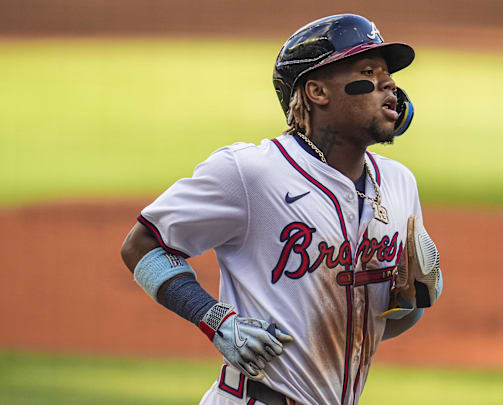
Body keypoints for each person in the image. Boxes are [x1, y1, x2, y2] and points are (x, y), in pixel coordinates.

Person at [120, 14, 442, 405]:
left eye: (388, 74)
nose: (389, 83)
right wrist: (215, 319)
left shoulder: (399, 184)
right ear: (318, 92)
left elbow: (365, 325)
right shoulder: (251, 172)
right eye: (368, 71)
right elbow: (142, 245)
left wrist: (415, 299)